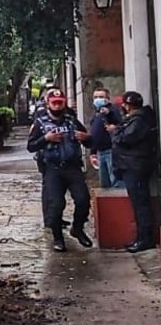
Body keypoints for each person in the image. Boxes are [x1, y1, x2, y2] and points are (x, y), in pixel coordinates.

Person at [28, 88, 93, 251]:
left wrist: (86, 138)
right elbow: (31, 146)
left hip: (73, 167)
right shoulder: (40, 122)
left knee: (83, 200)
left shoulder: (71, 120)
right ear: (48, 104)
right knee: (56, 205)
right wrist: (45, 139)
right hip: (52, 169)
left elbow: (89, 141)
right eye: (54, 103)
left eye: (60, 103)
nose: (57, 106)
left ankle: (77, 229)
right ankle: (58, 238)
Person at [110, 90, 157, 252]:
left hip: (135, 166)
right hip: (131, 165)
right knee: (138, 204)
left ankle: (145, 239)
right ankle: (140, 237)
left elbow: (124, 139)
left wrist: (116, 132)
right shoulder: (134, 120)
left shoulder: (139, 121)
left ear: (127, 106)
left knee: (140, 204)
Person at [88, 86, 123, 188]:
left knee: (115, 182)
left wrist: (109, 113)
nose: (98, 99)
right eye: (95, 97)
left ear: (107, 98)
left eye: (101, 97)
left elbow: (120, 121)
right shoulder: (96, 113)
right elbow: (94, 133)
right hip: (100, 152)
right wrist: (93, 152)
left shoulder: (113, 110)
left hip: (111, 151)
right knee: (105, 184)